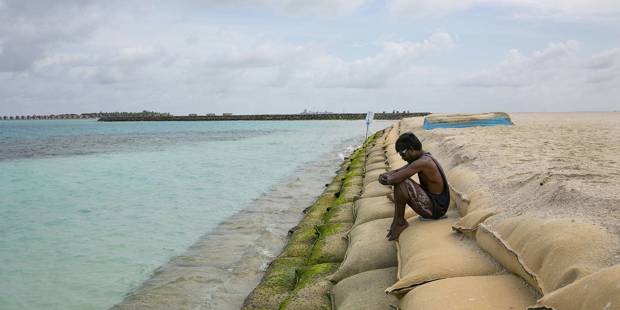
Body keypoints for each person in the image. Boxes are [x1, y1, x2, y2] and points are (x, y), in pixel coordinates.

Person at [378, 132, 450, 240]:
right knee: (401, 179)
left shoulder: (423, 162)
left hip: (436, 209)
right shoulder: (422, 158)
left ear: (411, 149)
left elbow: (395, 178)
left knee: (402, 182)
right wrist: (386, 175)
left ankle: (400, 222)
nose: (403, 158)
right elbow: (401, 170)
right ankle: (398, 221)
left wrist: (386, 178)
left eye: (403, 154)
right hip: (436, 204)